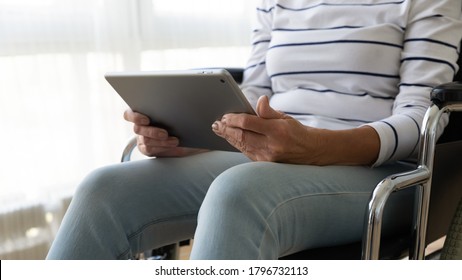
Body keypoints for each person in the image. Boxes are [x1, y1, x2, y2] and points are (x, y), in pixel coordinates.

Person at [47, 0, 462, 259]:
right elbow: (254, 101)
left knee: (240, 194)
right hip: (271, 156)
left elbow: (420, 120)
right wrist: (186, 137)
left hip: (374, 170)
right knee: (105, 189)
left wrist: (316, 147)